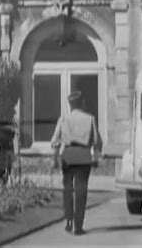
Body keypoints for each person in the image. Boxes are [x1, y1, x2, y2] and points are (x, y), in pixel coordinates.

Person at [51, 91, 102, 236]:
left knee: (67, 189)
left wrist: (55, 159)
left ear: (70, 104)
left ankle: (68, 221)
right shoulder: (90, 118)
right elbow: (97, 141)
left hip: (68, 155)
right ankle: (78, 226)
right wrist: (95, 158)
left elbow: (55, 141)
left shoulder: (63, 119)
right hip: (84, 156)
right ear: (82, 103)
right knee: (81, 191)